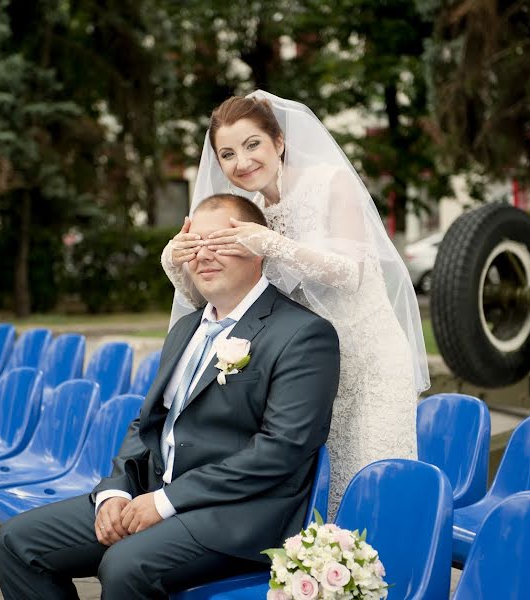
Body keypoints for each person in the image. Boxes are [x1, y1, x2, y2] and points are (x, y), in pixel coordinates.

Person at [0, 194, 340, 600]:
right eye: (194, 244)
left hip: (237, 514)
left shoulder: (303, 334)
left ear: (258, 247)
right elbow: (148, 423)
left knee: (123, 566)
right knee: (16, 543)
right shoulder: (186, 328)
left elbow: (283, 449)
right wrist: (116, 492)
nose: (203, 255)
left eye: (221, 242)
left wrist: (166, 501)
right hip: (152, 493)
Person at [161, 90, 430, 514]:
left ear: (279, 142)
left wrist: (271, 243)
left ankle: (391, 571)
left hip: (369, 361)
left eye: (253, 145)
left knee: (372, 476)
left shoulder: (329, 182)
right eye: (227, 154)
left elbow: (350, 270)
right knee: (324, 481)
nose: (242, 162)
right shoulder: (246, 210)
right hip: (310, 364)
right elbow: (218, 297)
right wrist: (176, 260)